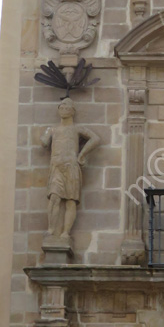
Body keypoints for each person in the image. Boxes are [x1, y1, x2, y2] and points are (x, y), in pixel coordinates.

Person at [41, 98, 102, 240]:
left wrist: (82, 154)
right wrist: (45, 135)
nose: (63, 109)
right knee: (54, 197)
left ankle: (66, 232)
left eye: (67, 107)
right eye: (61, 107)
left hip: (71, 166)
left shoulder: (76, 129)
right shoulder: (53, 129)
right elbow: (44, 142)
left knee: (70, 200)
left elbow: (95, 138)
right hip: (56, 166)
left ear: (72, 111)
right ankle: (51, 229)